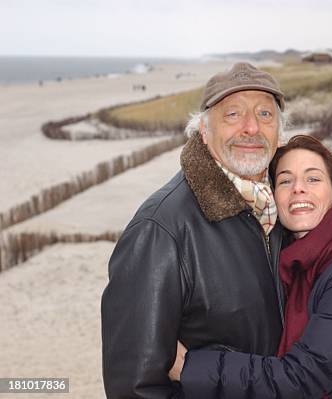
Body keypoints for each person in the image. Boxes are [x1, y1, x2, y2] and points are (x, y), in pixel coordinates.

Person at [101, 62, 289, 398]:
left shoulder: (287, 210)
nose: (251, 128)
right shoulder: (160, 229)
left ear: (279, 131)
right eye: (232, 114)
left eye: (264, 114)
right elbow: (134, 386)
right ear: (204, 130)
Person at [171, 135, 332, 398]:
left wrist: (188, 366)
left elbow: (300, 379)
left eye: (313, 178)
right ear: (274, 197)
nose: (298, 189)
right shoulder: (293, 264)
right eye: (285, 180)